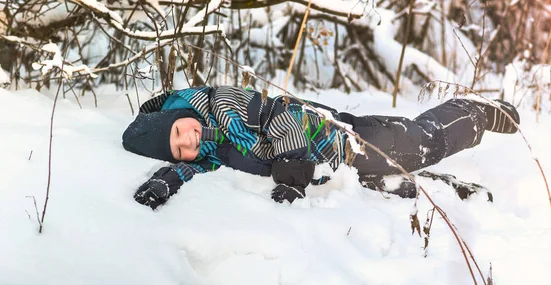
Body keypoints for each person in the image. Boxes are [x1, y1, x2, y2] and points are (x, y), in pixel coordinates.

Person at [122, 85, 520, 209]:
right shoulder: (205, 148)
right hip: (336, 165)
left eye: (180, 132)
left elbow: (282, 118)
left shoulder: (222, 105)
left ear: (179, 117)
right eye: (178, 149)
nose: (187, 141)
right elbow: (197, 166)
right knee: (397, 184)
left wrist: (291, 170)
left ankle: (475, 112)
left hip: (339, 136)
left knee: (422, 142)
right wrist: (167, 179)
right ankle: (453, 189)